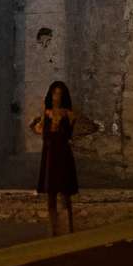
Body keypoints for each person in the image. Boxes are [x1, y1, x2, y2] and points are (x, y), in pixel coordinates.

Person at [28, 80, 93, 234]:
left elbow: (88, 127)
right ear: (51, 95)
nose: (57, 96)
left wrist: (73, 137)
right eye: (54, 93)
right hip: (50, 155)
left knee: (65, 195)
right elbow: (38, 129)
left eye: (59, 94)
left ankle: (69, 231)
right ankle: (53, 232)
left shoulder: (69, 114)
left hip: (63, 155)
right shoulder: (46, 113)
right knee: (50, 196)